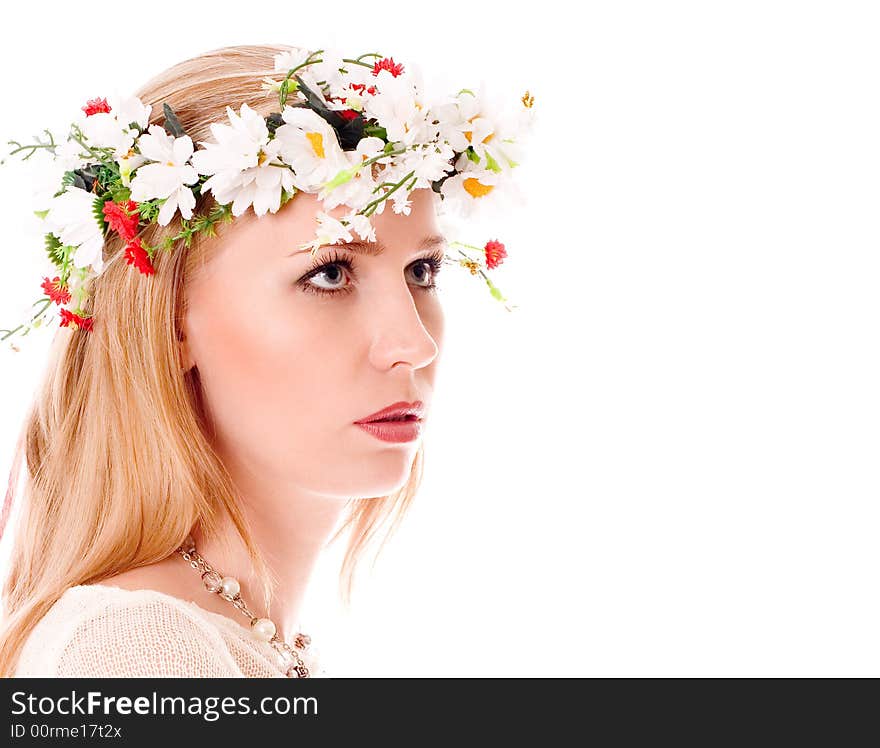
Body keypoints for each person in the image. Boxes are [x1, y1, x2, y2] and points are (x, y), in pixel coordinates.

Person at [0, 43, 533, 677]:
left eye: (422, 270)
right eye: (330, 273)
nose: (415, 345)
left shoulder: (227, 639)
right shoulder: (137, 651)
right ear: (168, 323)